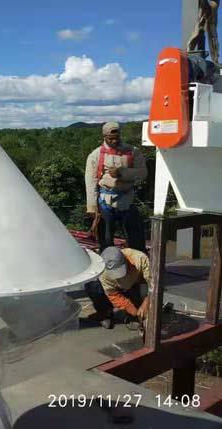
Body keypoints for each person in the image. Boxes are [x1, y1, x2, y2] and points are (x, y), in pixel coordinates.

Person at [85, 122, 147, 253]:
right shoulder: (96, 155)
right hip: (105, 201)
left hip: (127, 200)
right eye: (110, 138)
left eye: (116, 137)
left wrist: (122, 172)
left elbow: (143, 173)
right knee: (106, 241)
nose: (114, 141)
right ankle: (108, 270)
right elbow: (91, 182)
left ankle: (137, 269)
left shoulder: (133, 151)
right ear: (104, 136)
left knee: (135, 240)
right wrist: (91, 206)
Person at [85, 246, 151, 329]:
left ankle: (138, 311)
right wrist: (130, 308)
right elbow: (113, 294)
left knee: (144, 296)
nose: (120, 277)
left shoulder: (139, 258)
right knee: (93, 284)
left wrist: (146, 301)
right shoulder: (103, 271)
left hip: (135, 284)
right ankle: (105, 313)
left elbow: (153, 284)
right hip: (118, 287)